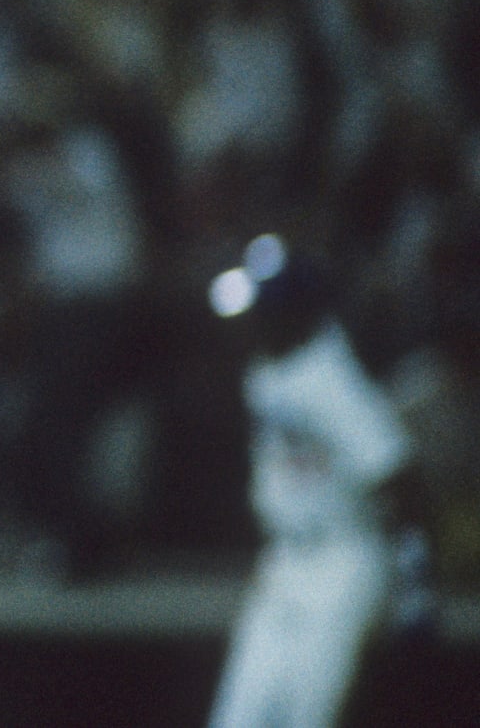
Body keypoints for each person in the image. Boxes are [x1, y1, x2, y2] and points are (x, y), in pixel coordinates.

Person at [204, 232, 433, 728]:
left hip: (342, 559)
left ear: (293, 310)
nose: (250, 321)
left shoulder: (332, 377)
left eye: (262, 310)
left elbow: (400, 477)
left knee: (304, 718)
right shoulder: (267, 368)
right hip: (285, 559)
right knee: (237, 717)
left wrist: (415, 587)